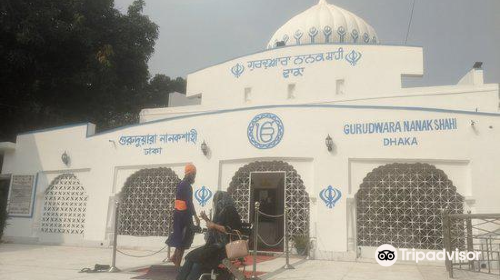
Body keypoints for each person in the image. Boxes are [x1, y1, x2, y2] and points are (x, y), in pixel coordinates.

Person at [176, 191, 242, 280]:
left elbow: (231, 230)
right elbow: (214, 225)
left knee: (198, 262)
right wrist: (206, 218)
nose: (215, 202)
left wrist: (214, 225)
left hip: (223, 247)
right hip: (213, 245)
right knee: (190, 258)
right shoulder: (221, 210)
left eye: (217, 200)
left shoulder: (231, 211)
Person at [167, 163, 200, 267]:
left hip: (179, 215)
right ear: (189, 174)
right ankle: (177, 268)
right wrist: (195, 216)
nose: (194, 177)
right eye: (193, 174)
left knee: (180, 239)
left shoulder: (181, 184)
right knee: (183, 241)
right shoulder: (187, 186)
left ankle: (173, 258)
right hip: (183, 217)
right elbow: (188, 203)